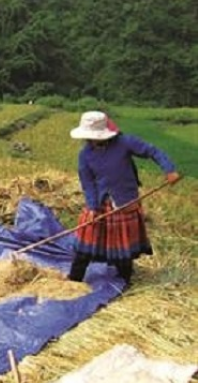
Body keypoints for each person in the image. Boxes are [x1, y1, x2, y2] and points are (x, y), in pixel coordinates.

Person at [67, 111, 181, 285]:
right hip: (99, 202)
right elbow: (87, 182)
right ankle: (73, 281)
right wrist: (92, 207)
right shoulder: (85, 155)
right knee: (85, 245)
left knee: (122, 248)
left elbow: (153, 151)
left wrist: (169, 169)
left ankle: (124, 281)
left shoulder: (124, 143)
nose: (91, 140)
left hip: (124, 201)